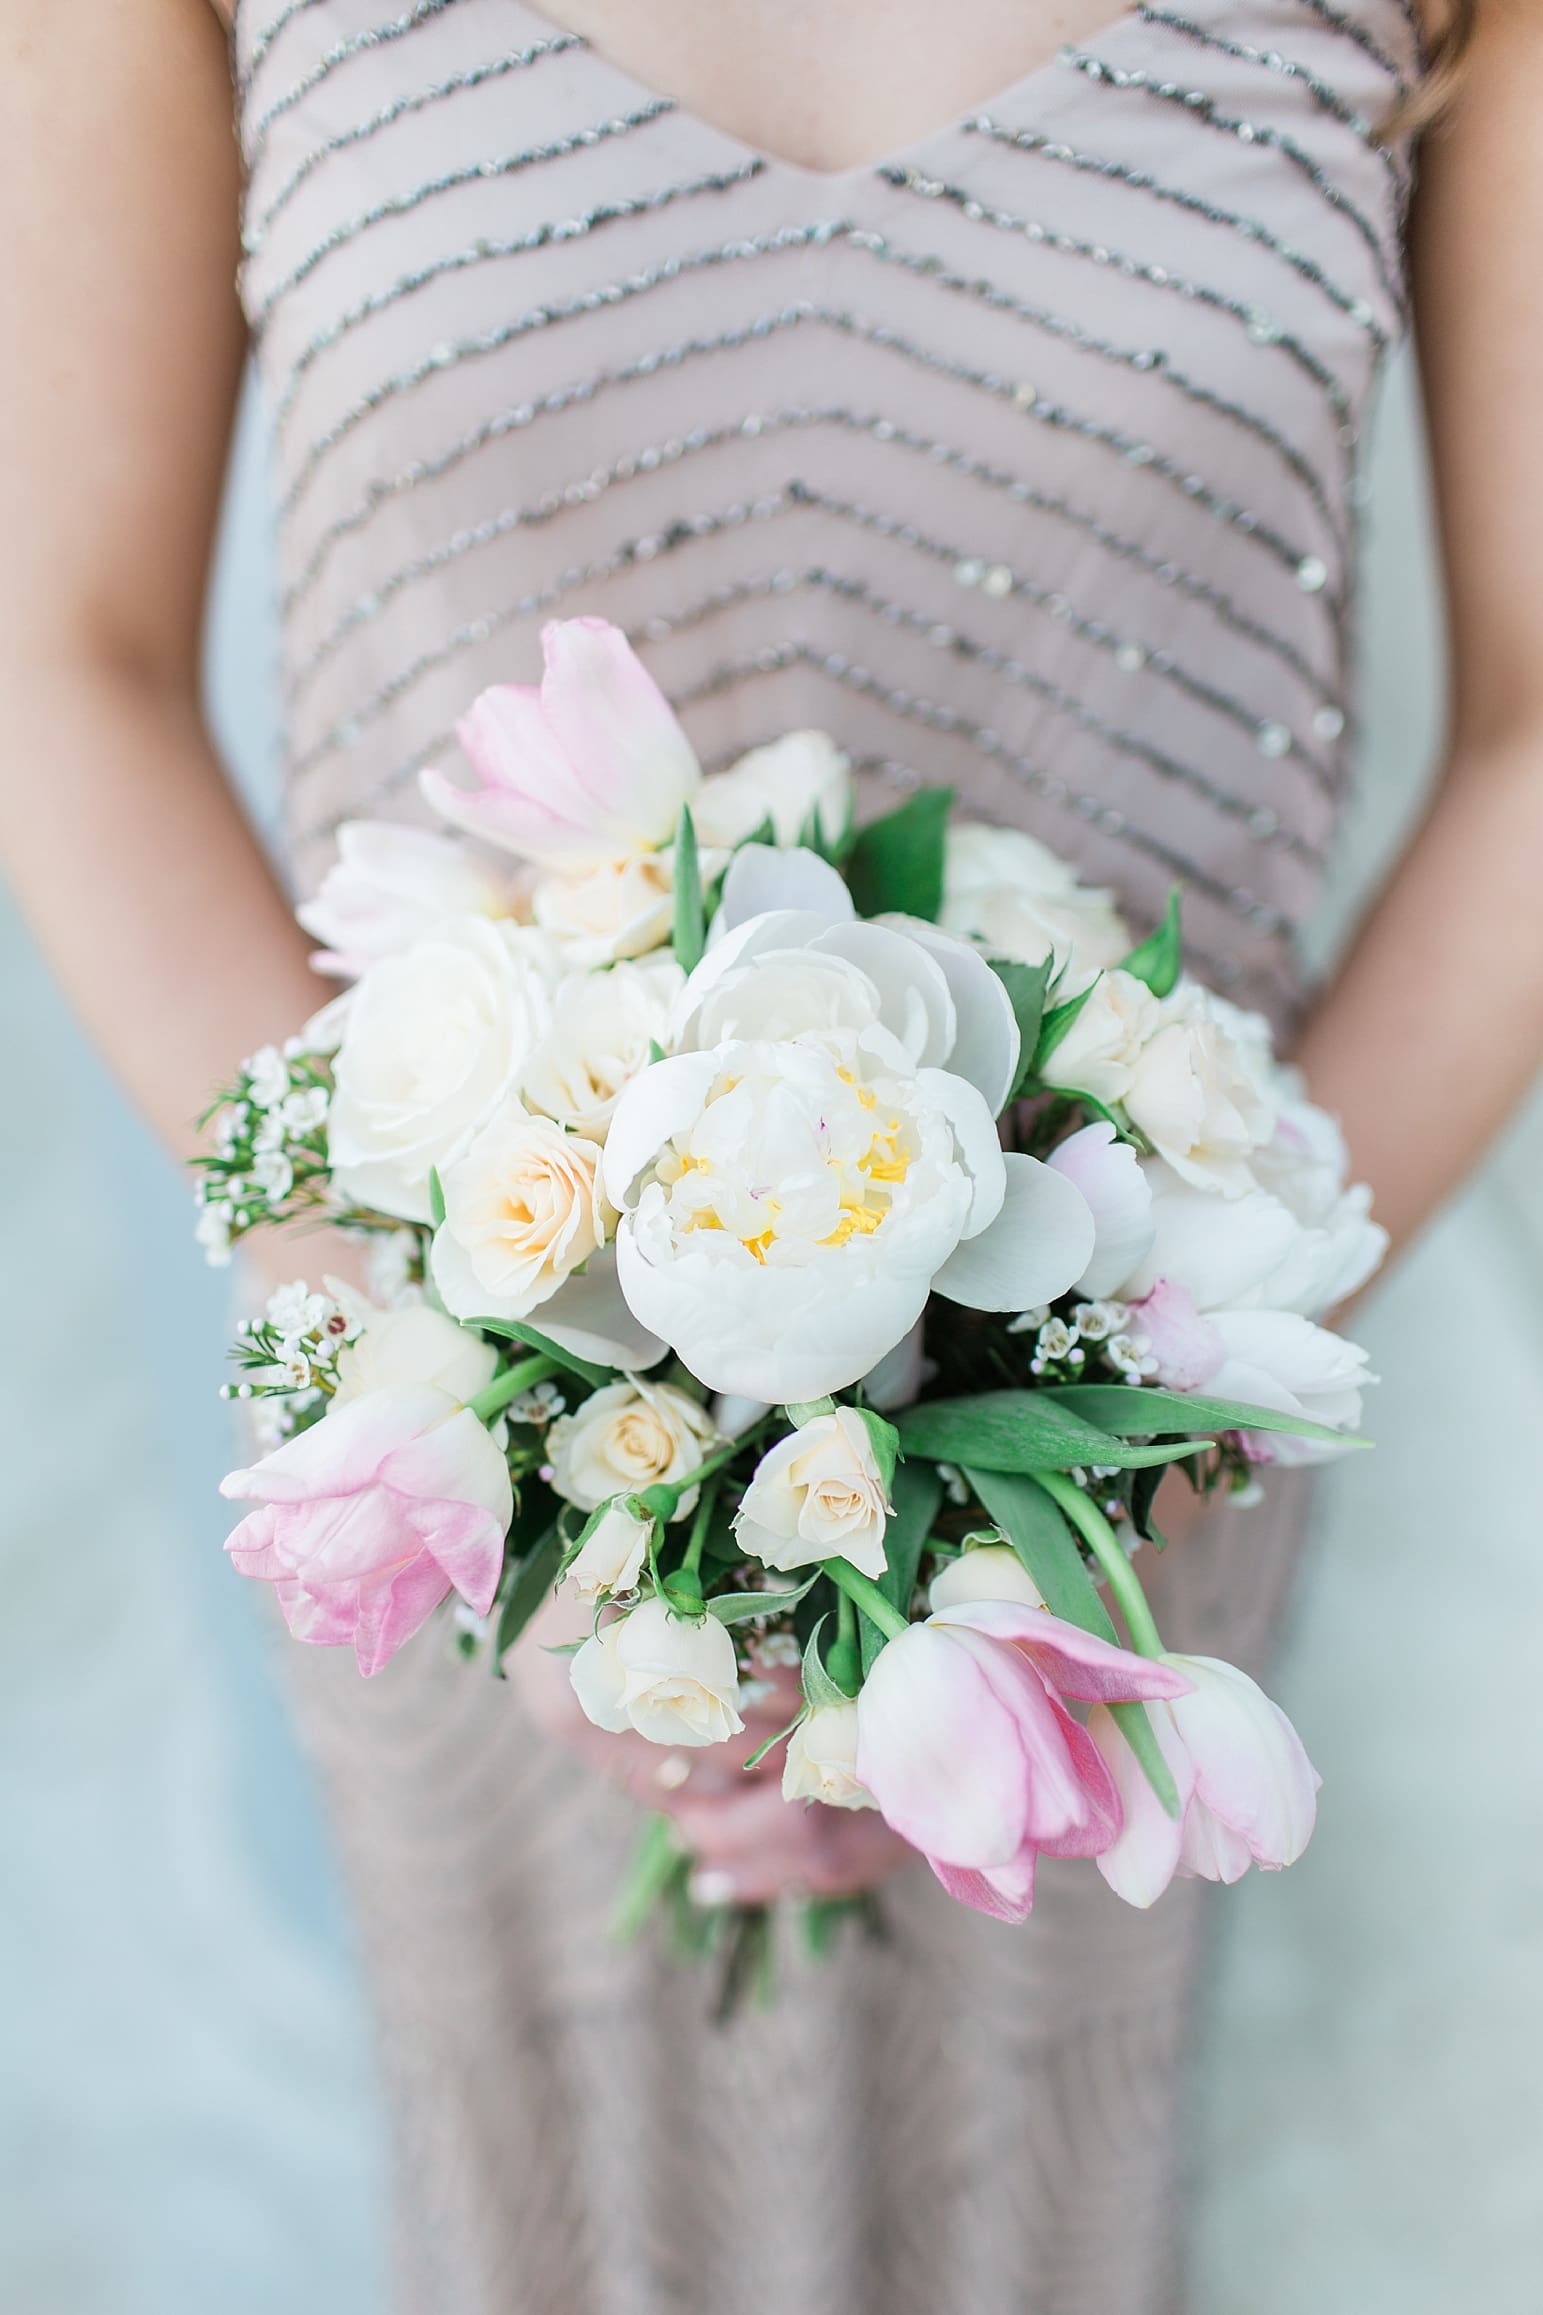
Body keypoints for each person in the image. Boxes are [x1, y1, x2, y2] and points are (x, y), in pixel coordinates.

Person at [3, 1, 1539, 2308]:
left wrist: (1100, 1471)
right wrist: (505, 1469)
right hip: (468, 1462)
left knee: (1033, 2198)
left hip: (1121, 1501)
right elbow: (62, 655)